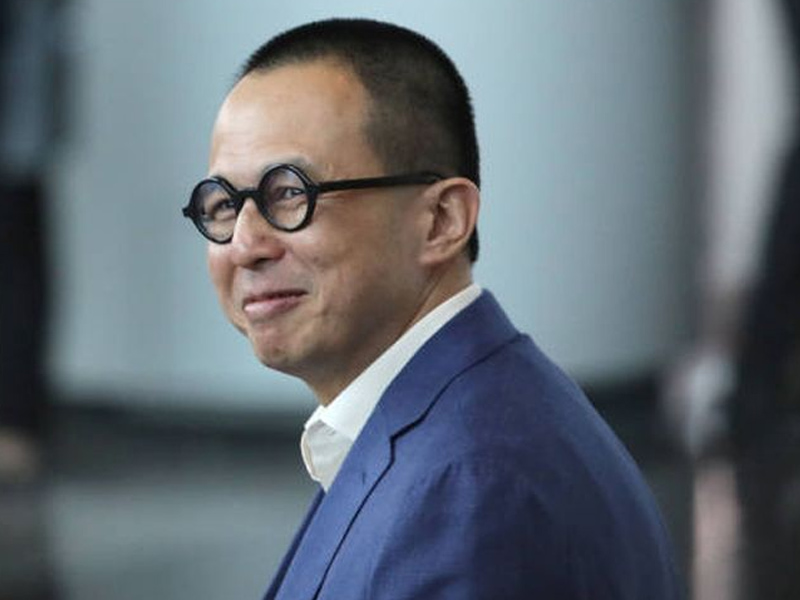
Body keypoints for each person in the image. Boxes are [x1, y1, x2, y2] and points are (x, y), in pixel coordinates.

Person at [182, 18, 682, 599]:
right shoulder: (455, 425)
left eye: (290, 193)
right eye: (222, 204)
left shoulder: (470, 486)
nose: (245, 245)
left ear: (441, 221)